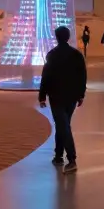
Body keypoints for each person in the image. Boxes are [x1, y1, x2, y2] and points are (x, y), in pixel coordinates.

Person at [38, 26, 87, 173]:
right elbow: (82, 76)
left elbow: (45, 77)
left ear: (56, 37)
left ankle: (71, 159)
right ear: (68, 37)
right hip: (71, 96)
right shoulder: (76, 55)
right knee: (63, 124)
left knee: (63, 125)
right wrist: (81, 94)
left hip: (56, 96)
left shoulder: (52, 55)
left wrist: (42, 96)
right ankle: (58, 155)